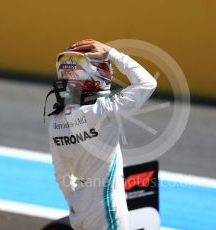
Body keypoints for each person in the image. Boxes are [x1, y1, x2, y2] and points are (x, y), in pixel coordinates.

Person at [46, 39, 157, 230]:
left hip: (78, 215)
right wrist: (112, 53)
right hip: (107, 214)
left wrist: (78, 205)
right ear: (95, 76)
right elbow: (147, 83)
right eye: (104, 68)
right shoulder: (102, 111)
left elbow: (61, 176)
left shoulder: (55, 121)